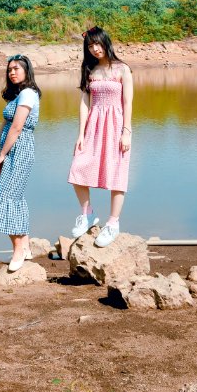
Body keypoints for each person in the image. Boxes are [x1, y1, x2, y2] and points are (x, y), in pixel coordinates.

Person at [68, 26, 133, 248]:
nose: (95, 49)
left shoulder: (122, 69)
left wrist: (127, 132)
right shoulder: (90, 70)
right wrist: (80, 134)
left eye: (98, 44)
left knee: (116, 174)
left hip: (116, 126)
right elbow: (85, 103)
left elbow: (127, 103)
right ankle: (87, 213)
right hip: (94, 126)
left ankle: (113, 223)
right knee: (78, 168)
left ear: (106, 42)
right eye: (90, 46)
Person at [0, 54, 41, 272]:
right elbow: (5, 125)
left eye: (17, 68)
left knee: (7, 197)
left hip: (20, 151)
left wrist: (3, 154)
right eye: (9, 69)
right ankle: (25, 246)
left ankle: (18, 250)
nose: (12, 72)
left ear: (27, 70)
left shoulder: (28, 93)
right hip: (8, 150)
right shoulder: (17, 95)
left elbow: (17, 127)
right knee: (13, 196)